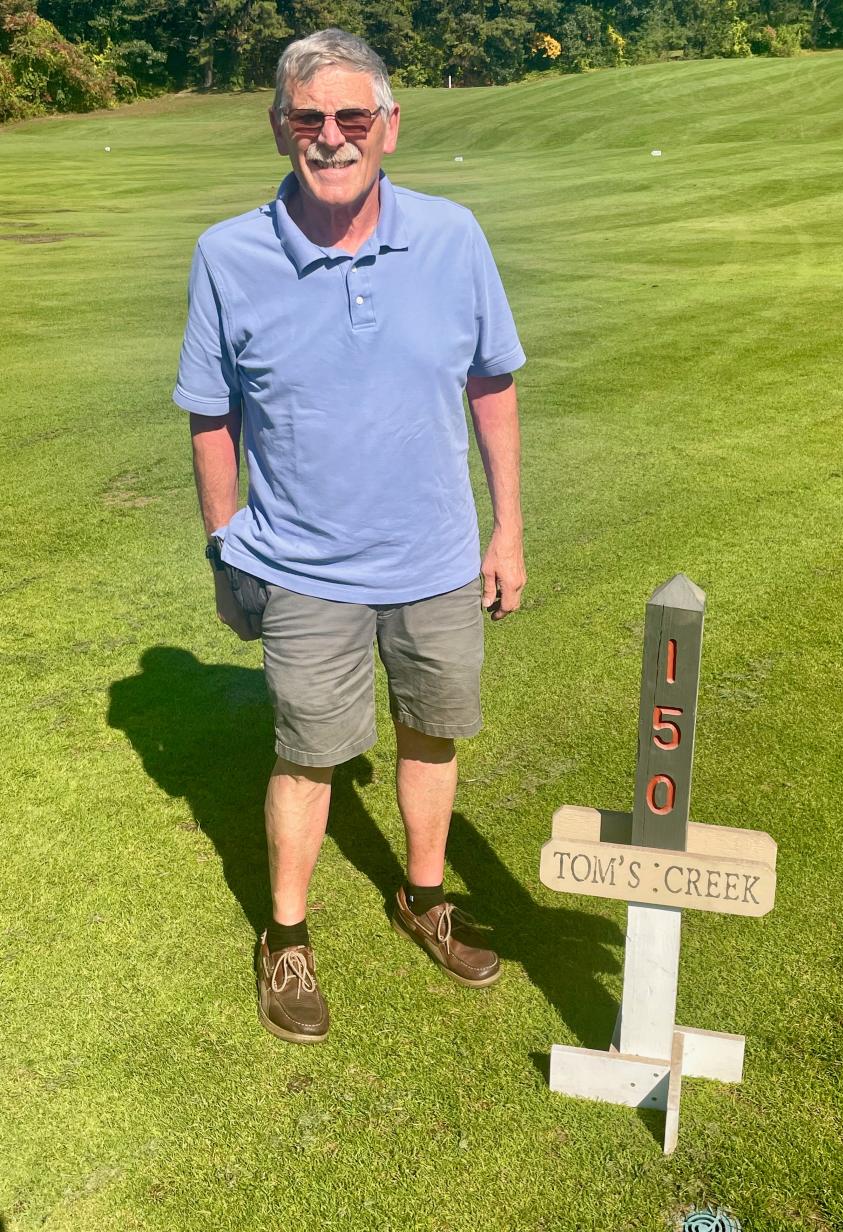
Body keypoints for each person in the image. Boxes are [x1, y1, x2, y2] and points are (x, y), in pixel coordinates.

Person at [173, 28, 526, 1044]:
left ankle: (424, 896)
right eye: (308, 118)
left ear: (389, 127)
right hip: (300, 565)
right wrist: (223, 545)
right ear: (280, 126)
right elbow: (210, 415)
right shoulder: (228, 255)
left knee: (433, 729)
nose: (330, 137)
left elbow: (491, 384)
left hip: (436, 557)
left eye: (351, 117)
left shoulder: (454, 237)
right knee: (309, 753)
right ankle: (286, 936)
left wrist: (507, 531)